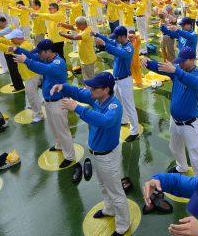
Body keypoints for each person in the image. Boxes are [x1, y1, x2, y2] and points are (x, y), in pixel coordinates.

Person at [50, 73, 130, 236]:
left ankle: (123, 225)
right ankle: (109, 209)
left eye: (94, 87)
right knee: (102, 184)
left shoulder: (114, 106)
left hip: (108, 156)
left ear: (106, 90)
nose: (90, 90)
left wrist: (77, 108)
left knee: (116, 191)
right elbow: (79, 93)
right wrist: (63, 87)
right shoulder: (96, 97)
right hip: (97, 154)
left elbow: (104, 121)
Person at [12, 39, 80, 177]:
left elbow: (42, 68)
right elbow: (32, 56)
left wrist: (26, 61)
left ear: (48, 51)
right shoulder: (46, 58)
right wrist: (17, 50)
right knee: (54, 127)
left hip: (58, 102)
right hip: (49, 101)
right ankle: (59, 145)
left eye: (40, 52)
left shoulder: (57, 63)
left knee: (62, 130)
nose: (39, 55)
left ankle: (69, 156)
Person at [142, 47, 198, 175]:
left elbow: (193, 82)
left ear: (192, 59)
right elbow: (160, 67)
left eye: (184, 61)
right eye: (180, 61)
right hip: (175, 121)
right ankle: (181, 167)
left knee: (195, 156)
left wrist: (176, 70)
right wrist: (148, 62)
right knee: (175, 147)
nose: (181, 63)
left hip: (189, 124)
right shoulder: (178, 71)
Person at [94, 26, 140, 142]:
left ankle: (135, 131)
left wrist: (104, 46)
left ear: (122, 37)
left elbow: (119, 52)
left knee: (129, 106)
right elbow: (109, 40)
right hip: (117, 80)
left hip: (125, 80)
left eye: (117, 37)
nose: (116, 39)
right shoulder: (120, 43)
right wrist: (97, 35)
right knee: (120, 102)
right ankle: (124, 120)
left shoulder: (128, 48)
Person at [0, 29, 44, 123]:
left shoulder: (24, 46)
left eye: (12, 39)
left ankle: (38, 115)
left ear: (18, 38)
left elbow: (9, 50)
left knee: (32, 95)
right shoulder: (24, 43)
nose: (11, 41)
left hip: (30, 75)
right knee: (34, 93)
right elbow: (10, 47)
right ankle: (38, 106)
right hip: (31, 74)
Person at [58, 16, 97, 80]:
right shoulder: (83, 28)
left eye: (77, 25)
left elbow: (74, 37)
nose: (77, 27)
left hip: (88, 59)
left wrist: (62, 34)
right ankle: (88, 87)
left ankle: (90, 89)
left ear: (82, 24)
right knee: (86, 76)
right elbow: (72, 27)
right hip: (85, 58)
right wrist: (62, 25)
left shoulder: (86, 32)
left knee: (89, 78)